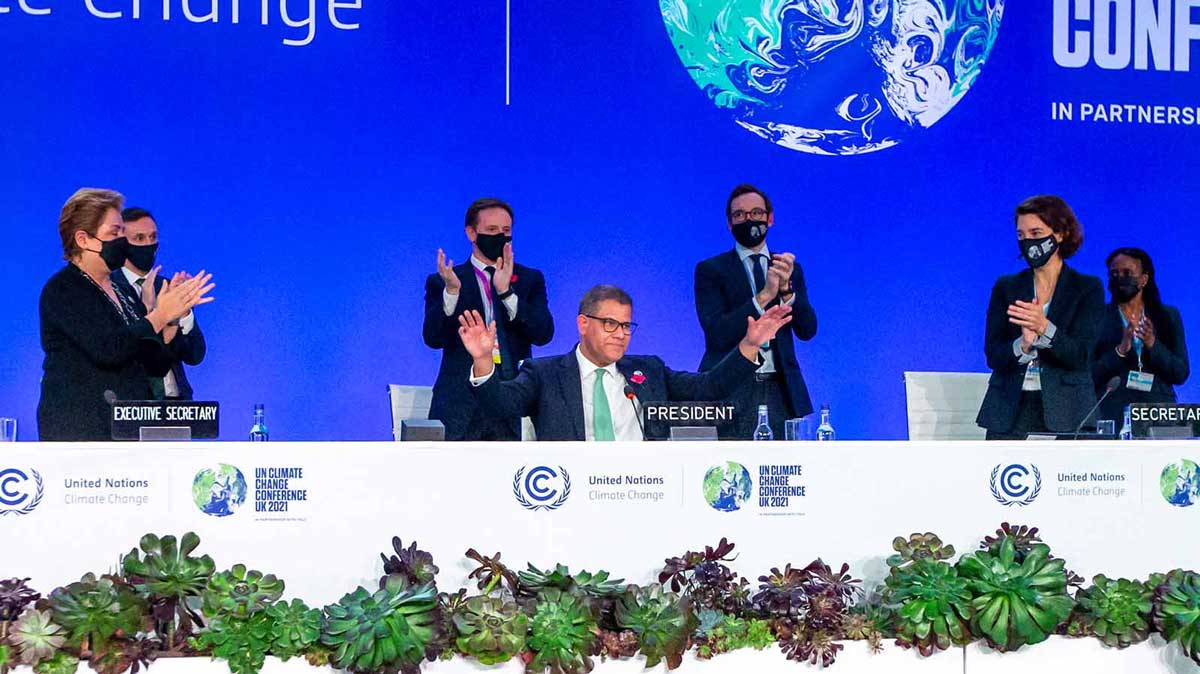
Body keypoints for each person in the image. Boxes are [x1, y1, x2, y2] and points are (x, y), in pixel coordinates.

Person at [459, 284, 793, 441]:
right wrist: (484, 361)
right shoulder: (544, 373)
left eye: (626, 325)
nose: (621, 334)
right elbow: (500, 405)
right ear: (583, 324)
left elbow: (709, 388)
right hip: (572, 498)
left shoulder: (647, 372)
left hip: (643, 492)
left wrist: (749, 345)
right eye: (610, 324)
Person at [38, 188, 214, 441]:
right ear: (83, 239)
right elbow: (110, 349)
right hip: (82, 433)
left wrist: (173, 315)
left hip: (127, 434)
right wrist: (159, 315)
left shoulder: (122, 293)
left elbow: (155, 364)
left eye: (122, 231)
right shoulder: (65, 289)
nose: (122, 241)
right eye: (114, 233)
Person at [422, 198, 554, 440]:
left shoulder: (529, 279)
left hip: (513, 397)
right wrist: (452, 292)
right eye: (492, 231)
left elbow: (543, 333)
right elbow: (432, 338)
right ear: (471, 233)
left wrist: (506, 293)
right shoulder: (446, 280)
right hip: (459, 403)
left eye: (506, 231)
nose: (500, 237)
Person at [694, 184, 818, 439]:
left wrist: (786, 291)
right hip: (731, 389)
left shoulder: (788, 268)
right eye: (739, 215)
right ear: (729, 223)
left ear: (770, 219)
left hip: (781, 391)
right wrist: (763, 297)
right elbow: (717, 333)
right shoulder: (710, 270)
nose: (748, 219)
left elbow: (808, 330)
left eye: (756, 213)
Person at [976, 195, 1105, 439]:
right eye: (1021, 236)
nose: (1028, 243)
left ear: (1059, 233)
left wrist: (1044, 327)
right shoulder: (1006, 287)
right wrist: (1022, 345)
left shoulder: (1087, 288)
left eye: (1036, 233)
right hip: (1010, 412)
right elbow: (993, 355)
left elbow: (1082, 356)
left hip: (1068, 412)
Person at [110, 207, 208, 400]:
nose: (148, 244)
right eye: (139, 238)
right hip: (133, 405)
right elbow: (125, 351)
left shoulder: (167, 287)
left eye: (153, 237)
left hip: (178, 406)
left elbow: (195, 355)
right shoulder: (109, 289)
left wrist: (185, 313)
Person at [1091, 247, 1189, 423]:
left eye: (1127, 273)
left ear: (1144, 279)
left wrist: (1153, 344)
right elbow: (1087, 376)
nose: (1120, 278)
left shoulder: (1168, 316)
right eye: (1114, 274)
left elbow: (1180, 373)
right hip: (1112, 415)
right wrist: (1120, 351)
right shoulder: (1096, 317)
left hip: (1158, 415)